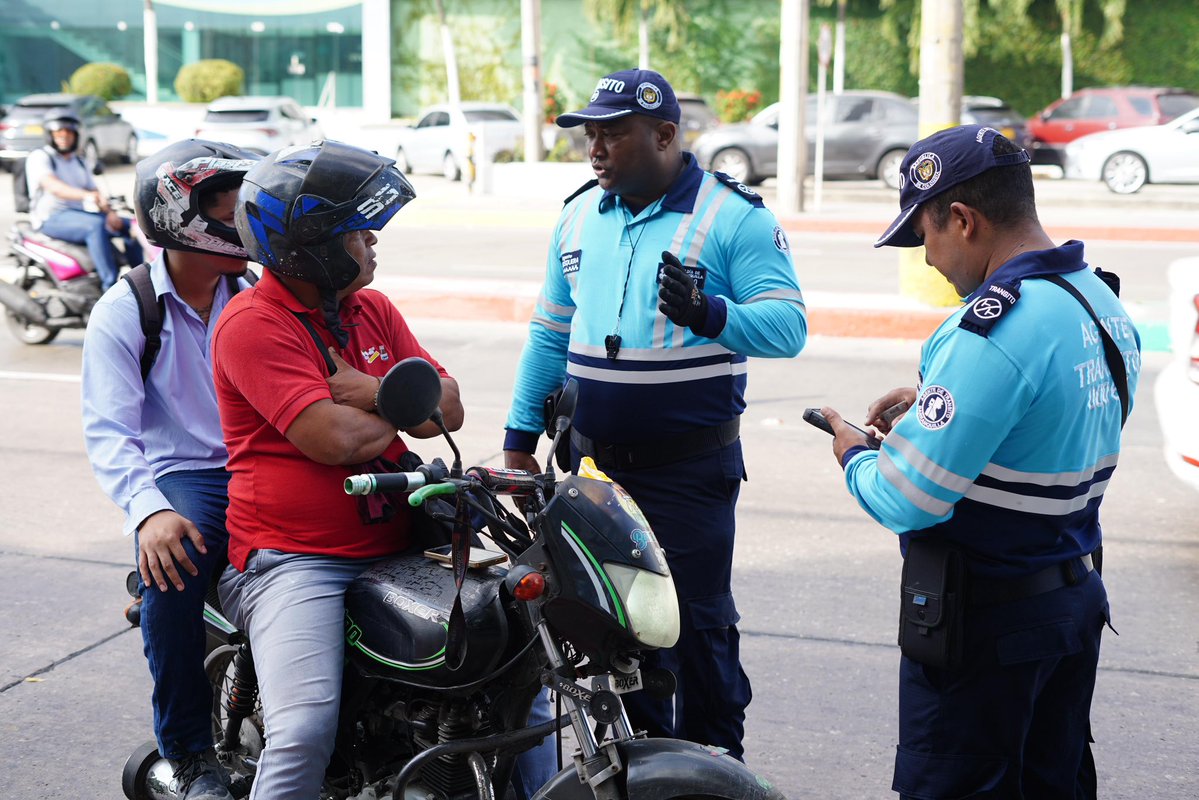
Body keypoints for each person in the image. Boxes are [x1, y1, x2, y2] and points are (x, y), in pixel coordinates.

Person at [820, 125, 1141, 799]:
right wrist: (946, 402)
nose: (928, 260)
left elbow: (907, 495)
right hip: (1069, 607)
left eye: (925, 238)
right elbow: (1063, 421)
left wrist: (853, 454)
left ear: (962, 220)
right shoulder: (1098, 300)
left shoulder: (992, 330)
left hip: (985, 630)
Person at [502, 69, 808, 760]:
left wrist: (710, 313)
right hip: (594, 470)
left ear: (665, 134)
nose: (595, 148)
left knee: (696, 629)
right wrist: (518, 439)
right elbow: (550, 333)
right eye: (590, 134)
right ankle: (645, 765)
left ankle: (712, 765)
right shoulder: (578, 215)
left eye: (613, 134)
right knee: (616, 628)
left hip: (687, 472)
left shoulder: (733, 217)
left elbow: (788, 327)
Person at [212, 141, 466, 800]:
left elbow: (451, 408)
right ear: (314, 247)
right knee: (302, 730)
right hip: (298, 561)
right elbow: (334, 440)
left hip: (401, 548)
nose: (375, 241)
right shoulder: (253, 323)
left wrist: (366, 388)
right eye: (360, 231)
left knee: (503, 678)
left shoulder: (373, 311)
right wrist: (396, 401)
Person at [82, 139, 263, 800]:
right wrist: (150, 510)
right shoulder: (127, 309)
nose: (244, 212)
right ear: (181, 211)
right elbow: (109, 430)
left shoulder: (256, 294)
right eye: (227, 201)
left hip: (263, 463)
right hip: (189, 476)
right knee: (174, 567)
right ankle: (186, 754)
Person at [24, 112, 141, 290]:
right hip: (51, 219)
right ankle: (108, 285)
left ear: (75, 136)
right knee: (94, 226)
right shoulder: (40, 157)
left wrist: (110, 213)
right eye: (59, 133)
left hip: (76, 215)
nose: (64, 138)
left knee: (131, 226)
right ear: (50, 135)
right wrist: (86, 196)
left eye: (68, 134)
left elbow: (94, 190)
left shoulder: (79, 161)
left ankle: (140, 280)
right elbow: (54, 187)